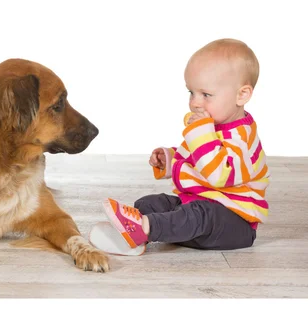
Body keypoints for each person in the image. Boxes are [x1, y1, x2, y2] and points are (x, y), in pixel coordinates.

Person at [89, 39, 270, 256]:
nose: (195, 102)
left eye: (206, 94)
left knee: (198, 214)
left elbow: (218, 175)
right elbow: (197, 160)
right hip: (200, 205)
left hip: (233, 223)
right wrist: (171, 159)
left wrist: (200, 133)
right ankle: (137, 232)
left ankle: (144, 229)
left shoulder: (243, 138)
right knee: (152, 203)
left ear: (242, 95)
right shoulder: (213, 128)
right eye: (191, 92)